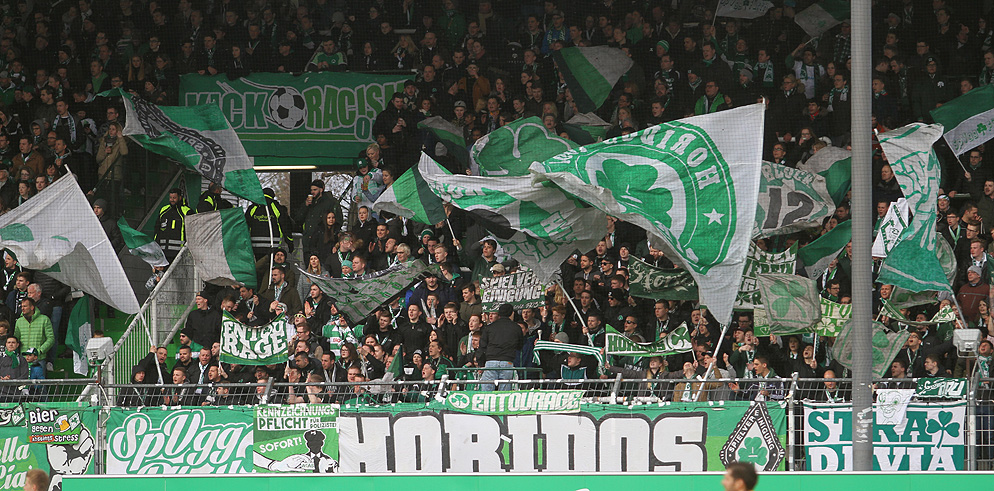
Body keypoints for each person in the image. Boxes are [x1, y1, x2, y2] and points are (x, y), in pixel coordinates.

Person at [476, 303, 522, 391]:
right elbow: (520, 346)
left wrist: (481, 363)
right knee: (504, 393)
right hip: (507, 362)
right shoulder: (516, 328)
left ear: (499, 313)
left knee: (487, 392)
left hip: (491, 362)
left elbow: (482, 347)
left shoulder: (490, 328)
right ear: (512, 313)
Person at [154, 188, 190, 262]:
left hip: (179, 253)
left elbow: (191, 232)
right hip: (163, 252)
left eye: (174, 198)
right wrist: (156, 246)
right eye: (170, 197)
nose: (172, 200)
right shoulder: (163, 210)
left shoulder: (186, 211)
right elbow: (157, 229)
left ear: (180, 198)